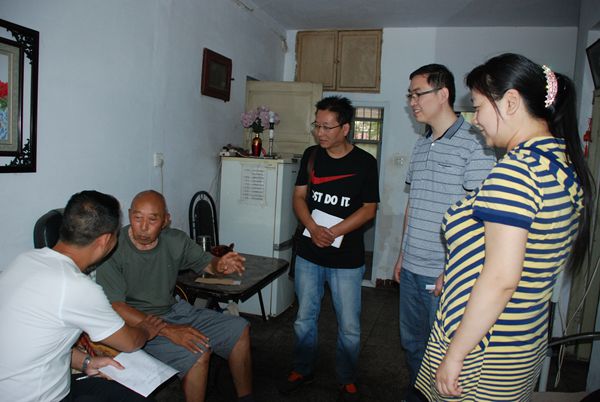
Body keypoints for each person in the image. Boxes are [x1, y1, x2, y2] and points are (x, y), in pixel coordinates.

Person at [415, 53, 593, 401]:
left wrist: (455, 354)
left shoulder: (515, 173)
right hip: (520, 337)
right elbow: (523, 251)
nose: (475, 120)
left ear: (510, 102)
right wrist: (458, 269)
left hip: (484, 348)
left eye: (478, 107)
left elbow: (500, 279)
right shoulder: (558, 162)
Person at [0, 190, 165, 402]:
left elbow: (35, 346)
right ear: (106, 240)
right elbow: (130, 342)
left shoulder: (25, 260)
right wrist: (145, 329)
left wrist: (86, 362)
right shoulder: (77, 286)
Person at [393, 63, 496, 401]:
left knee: (442, 350)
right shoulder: (422, 144)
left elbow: (480, 216)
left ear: (443, 94)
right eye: (409, 95)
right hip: (412, 268)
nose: (412, 101)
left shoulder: (475, 144)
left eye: (418, 93)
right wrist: (402, 255)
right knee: (412, 344)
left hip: (445, 273)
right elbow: (413, 205)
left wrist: (451, 269)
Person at [96, 190, 253, 402]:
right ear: (130, 214)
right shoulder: (114, 249)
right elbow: (117, 307)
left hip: (174, 310)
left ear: (165, 221)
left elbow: (207, 263)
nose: (143, 227)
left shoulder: (175, 240)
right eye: (137, 217)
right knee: (198, 352)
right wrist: (169, 330)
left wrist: (220, 265)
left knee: (239, 328)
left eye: (152, 219)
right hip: (136, 323)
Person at [280, 96, 380, 401]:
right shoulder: (311, 156)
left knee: (349, 324)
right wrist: (313, 228)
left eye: (327, 127)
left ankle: (346, 377)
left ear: (345, 128)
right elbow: (299, 197)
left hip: (347, 259)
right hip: (310, 253)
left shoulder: (365, 163)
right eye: (317, 125)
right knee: (304, 317)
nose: (319, 132)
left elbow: (369, 209)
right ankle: (302, 369)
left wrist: (333, 232)